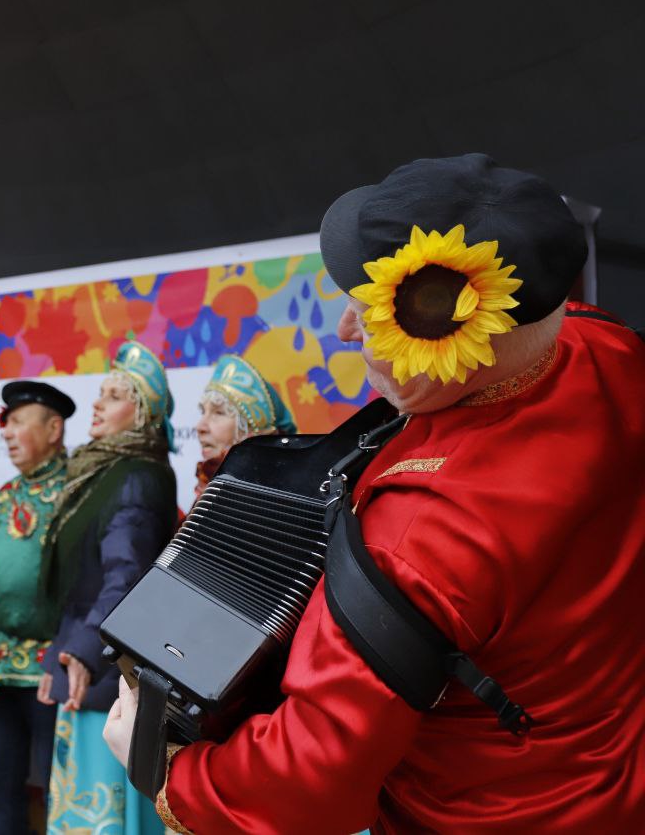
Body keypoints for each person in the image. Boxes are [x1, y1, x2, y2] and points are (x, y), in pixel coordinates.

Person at [104, 153, 645, 832]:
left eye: (368, 312)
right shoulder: (611, 351)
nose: (346, 330)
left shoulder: (422, 531)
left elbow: (309, 782)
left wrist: (172, 773)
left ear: (441, 328)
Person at [39, 340, 177, 834]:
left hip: (102, 672)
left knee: (98, 813)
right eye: (101, 392)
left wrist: (80, 650)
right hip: (89, 660)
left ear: (142, 415)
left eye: (115, 395)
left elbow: (126, 576)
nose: (97, 403)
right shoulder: (103, 470)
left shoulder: (138, 476)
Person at [0, 381, 75, 835]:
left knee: (61, 787)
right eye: (5, 424)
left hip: (54, 669)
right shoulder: (5, 494)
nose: (8, 433)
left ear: (54, 428)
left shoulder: (76, 490)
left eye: (17, 422)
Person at [192, 354, 296, 499]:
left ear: (251, 431)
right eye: (203, 411)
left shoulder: (262, 493)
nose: (200, 427)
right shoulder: (210, 481)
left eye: (219, 412)